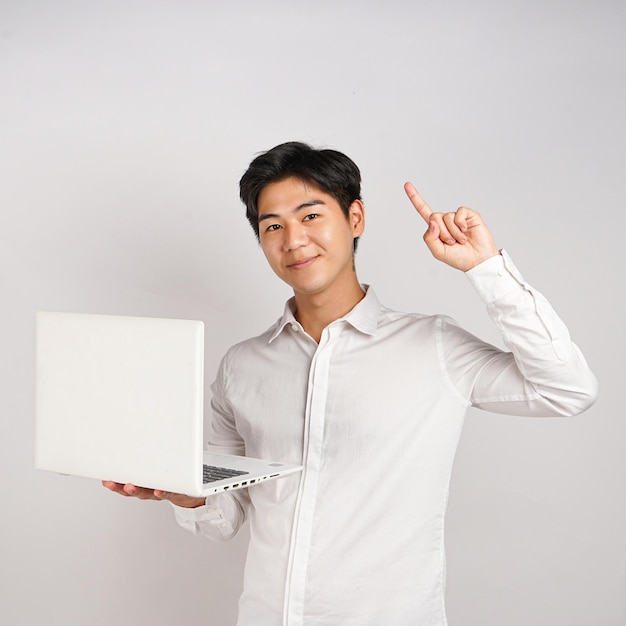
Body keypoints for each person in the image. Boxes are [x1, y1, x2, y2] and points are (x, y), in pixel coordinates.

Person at [103, 141, 598, 626]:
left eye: (311, 215)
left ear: (354, 218)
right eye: (272, 225)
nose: (293, 239)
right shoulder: (242, 366)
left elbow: (566, 389)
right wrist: (183, 491)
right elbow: (226, 516)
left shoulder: (434, 345)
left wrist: (487, 270)